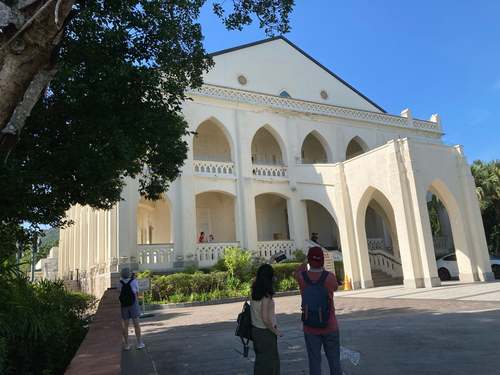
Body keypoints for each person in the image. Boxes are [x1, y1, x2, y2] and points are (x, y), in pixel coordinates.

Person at [294, 247, 341, 375]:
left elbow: (296, 272)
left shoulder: (302, 278)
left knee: (314, 361)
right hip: (330, 325)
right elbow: (336, 287)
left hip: (310, 326)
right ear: (322, 260)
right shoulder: (329, 277)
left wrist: (305, 261)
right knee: (334, 360)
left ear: (309, 259)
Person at [250, 264, 282, 375]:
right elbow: (265, 318)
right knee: (270, 363)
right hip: (266, 332)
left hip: (255, 330)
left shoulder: (254, 289)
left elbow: (261, 273)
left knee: (261, 361)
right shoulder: (266, 296)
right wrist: (276, 331)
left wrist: (270, 261)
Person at [118, 267, 145, 350]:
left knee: (125, 325)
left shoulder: (119, 283)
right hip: (133, 304)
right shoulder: (134, 281)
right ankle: (139, 343)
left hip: (124, 305)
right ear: (129, 274)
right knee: (136, 324)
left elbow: (118, 293)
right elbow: (137, 292)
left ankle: (126, 344)